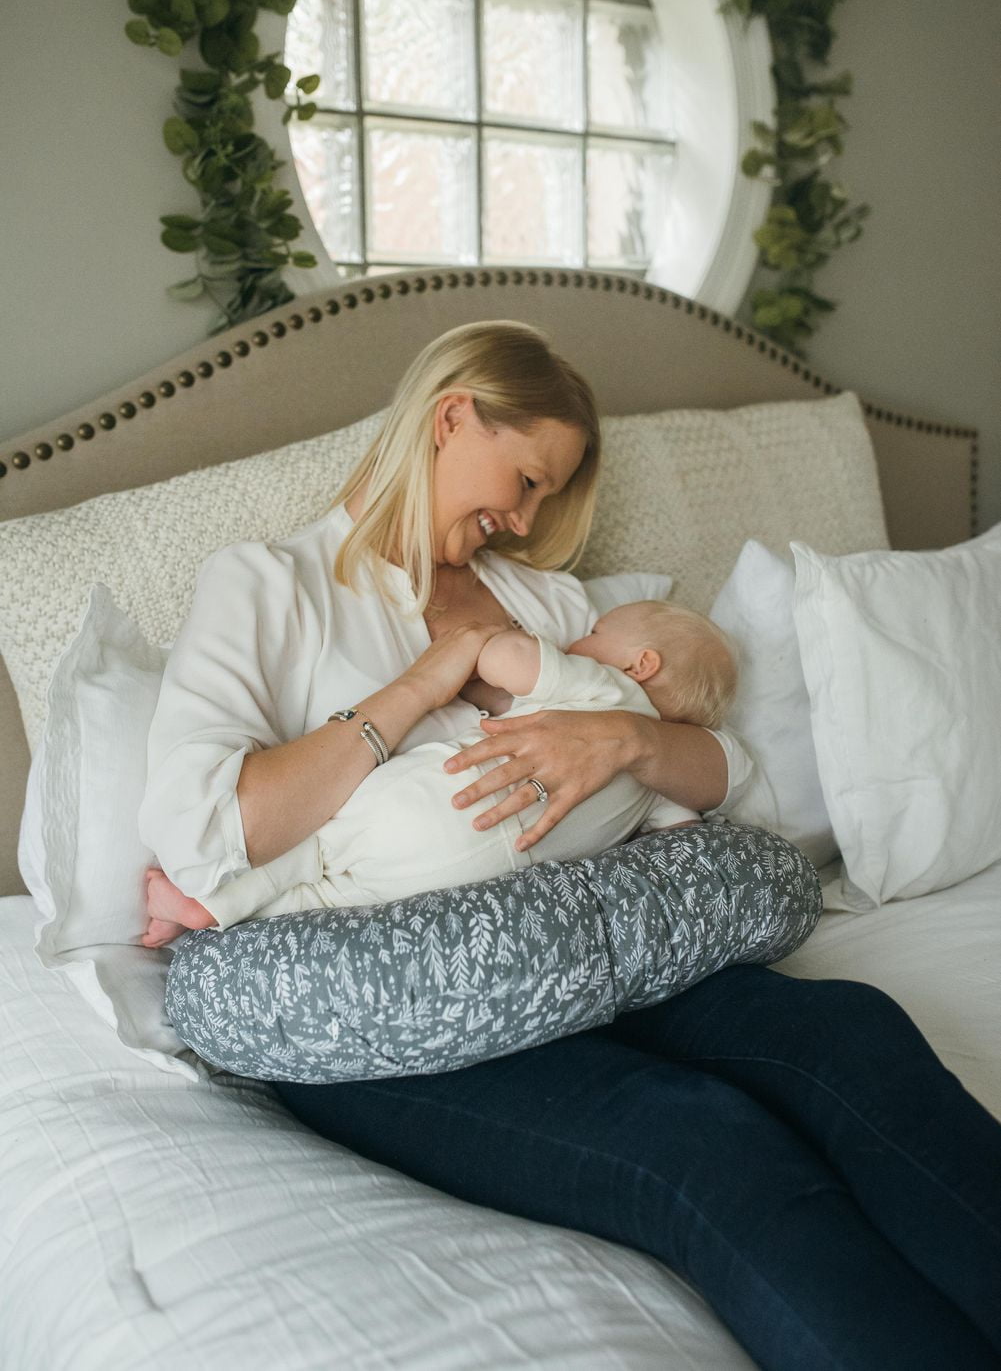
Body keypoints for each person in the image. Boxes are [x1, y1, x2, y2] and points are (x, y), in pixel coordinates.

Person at [139, 320, 1001, 1369]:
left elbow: (735, 783)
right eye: (524, 479)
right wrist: (425, 681)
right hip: (400, 1011)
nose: (525, 515)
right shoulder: (269, 590)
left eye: (545, 496)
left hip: (597, 946)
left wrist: (627, 736)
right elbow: (203, 828)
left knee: (854, 1038)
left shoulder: (542, 602)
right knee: (702, 1146)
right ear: (451, 415)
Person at [140, 600, 738, 942]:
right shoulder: (659, 791)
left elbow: (506, 657)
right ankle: (208, 912)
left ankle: (210, 906)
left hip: (433, 807)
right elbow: (684, 834)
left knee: (319, 848)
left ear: (641, 664)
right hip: (466, 894)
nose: (579, 639)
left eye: (595, 632)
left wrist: (490, 643)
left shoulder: (600, 685)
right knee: (332, 899)